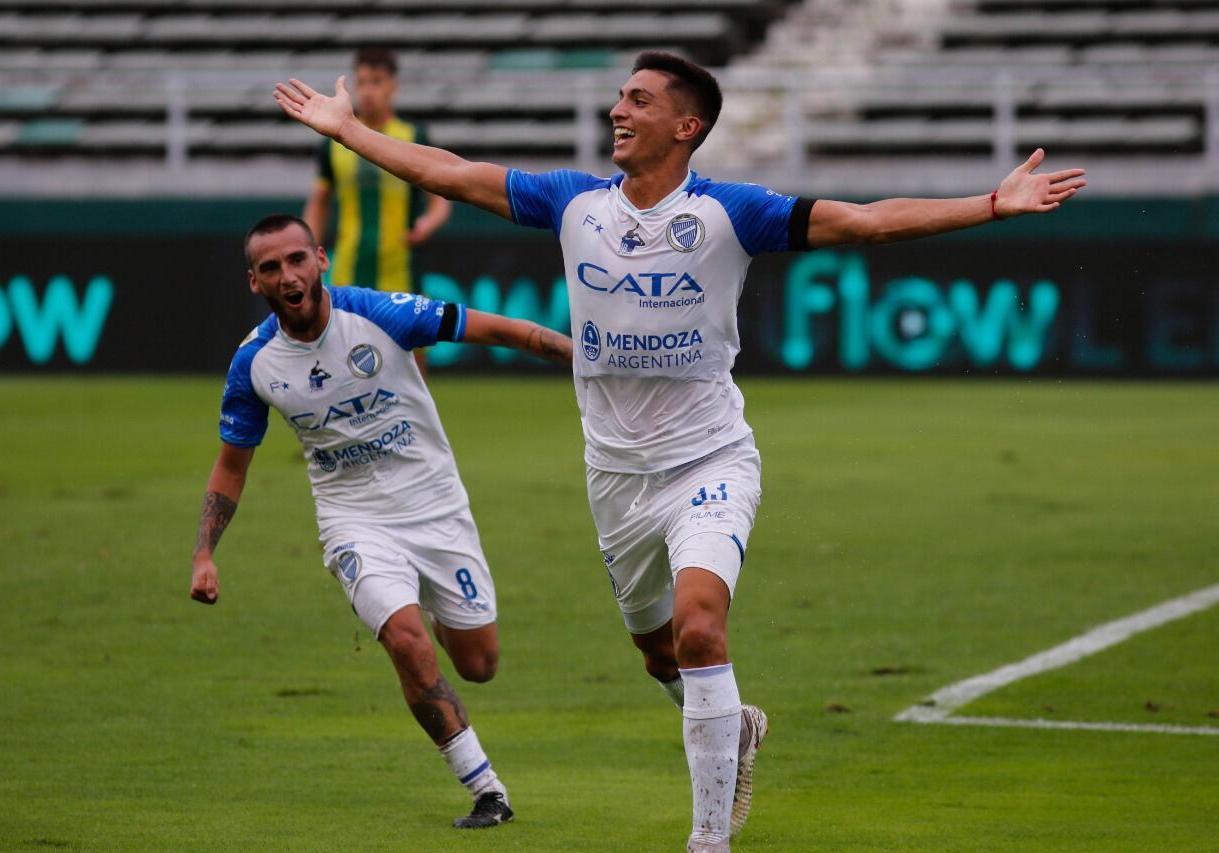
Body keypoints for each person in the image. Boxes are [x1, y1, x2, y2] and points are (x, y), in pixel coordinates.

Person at [274, 52, 1086, 851]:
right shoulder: (573, 202)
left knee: (701, 629)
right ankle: (735, 727)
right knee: (658, 650)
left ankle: (706, 840)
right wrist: (348, 131)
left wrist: (991, 203)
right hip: (616, 478)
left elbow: (864, 220)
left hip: (710, 461)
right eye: (620, 98)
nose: (618, 112)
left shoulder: (733, 212)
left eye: (639, 100)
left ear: (685, 125)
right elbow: (449, 173)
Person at [189, 214, 570, 830]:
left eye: (296, 260)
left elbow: (498, 329)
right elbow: (231, 465)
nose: (288, 276)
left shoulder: (381, 314)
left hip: (435, 507)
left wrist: (583, 358)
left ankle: (435, 605)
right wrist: (205, 554)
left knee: (479, 664)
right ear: (253, 282)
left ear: (321, 259)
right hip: (353, 519)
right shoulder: (254, 364)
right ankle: (487, 790)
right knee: (405, 643)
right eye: (270, 268)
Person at [302, 47, 451, 373]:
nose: (368, 91)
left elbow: (440, 197)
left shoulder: (413, 137)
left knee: (413, 365)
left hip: (400, 268)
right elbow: (319, 201)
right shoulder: (332, 141)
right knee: (342, 365)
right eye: (363, 82)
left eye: (377, 82)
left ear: (393, 86)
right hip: (349, 269)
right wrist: (305, 248)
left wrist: (428, 222)